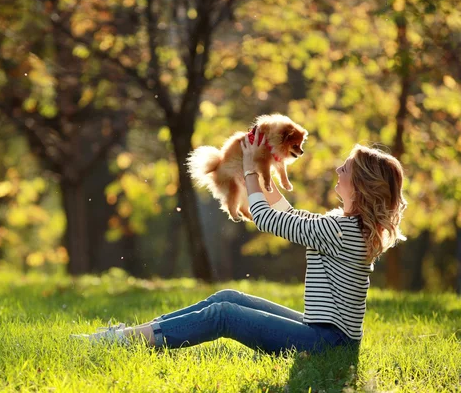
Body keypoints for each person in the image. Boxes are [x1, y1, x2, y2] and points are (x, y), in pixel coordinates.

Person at [71, 127, 407, 354]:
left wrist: (249, 170)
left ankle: (124, 341)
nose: (337, 171)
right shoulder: (346, 225)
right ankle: (133, 334)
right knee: (228, 296)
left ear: (360, 185)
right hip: (326, 333)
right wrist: (265, 174)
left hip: (327, 341)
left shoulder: (343, 231)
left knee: (224, 315)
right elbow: (294, 218)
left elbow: (267, 218)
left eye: (345, 169)